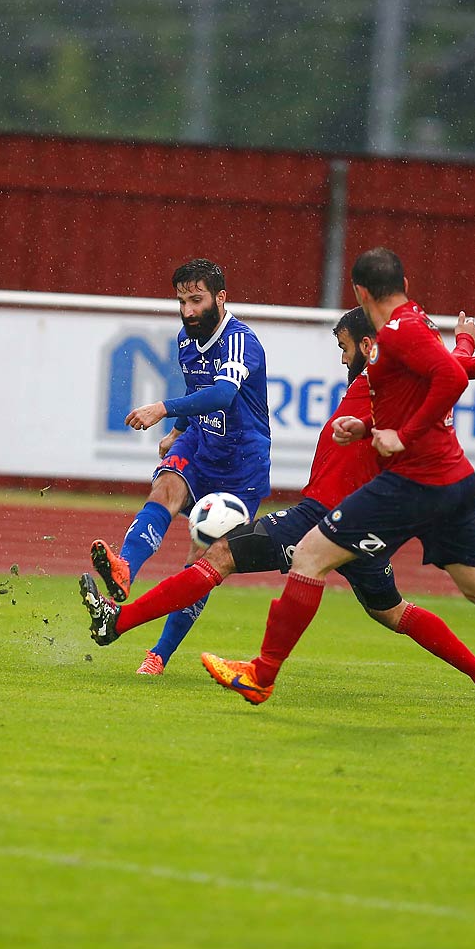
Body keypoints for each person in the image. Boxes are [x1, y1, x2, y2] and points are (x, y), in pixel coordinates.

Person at [201, 248, 475, 729]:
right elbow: (432, 372)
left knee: (311, 557)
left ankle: (261, 674)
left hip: (414, 481)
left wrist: (405, 435)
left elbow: (448, 377)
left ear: (360, 292)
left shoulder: (399, 330)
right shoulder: (410, 322)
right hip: (452, 480)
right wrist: (369, 425)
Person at [80, 306, 475, 701]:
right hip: (364, 525)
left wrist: (471, 351)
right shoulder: (404, 387)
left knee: (218, 554)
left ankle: (117, 622)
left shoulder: (381, 384)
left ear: (368, 346)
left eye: (344, 347)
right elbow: (447, 367)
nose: (342, 357)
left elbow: (444, 366)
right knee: (393, 612)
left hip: (325, 517)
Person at [87, 258, 271, 675]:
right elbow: (197, 390)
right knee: (166, 488)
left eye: (197, 300)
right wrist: (180, 429)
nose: (188, 311)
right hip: (201, 445)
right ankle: (124, 569)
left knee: (202, 561)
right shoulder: (186, 340)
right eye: (181, 301)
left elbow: (223, 395)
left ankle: (159, 654)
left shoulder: (241, 341)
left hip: (242, 467)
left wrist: (163, 410)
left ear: (221, 298)